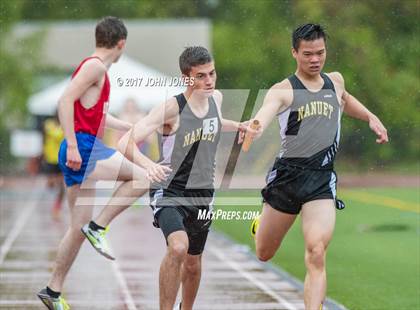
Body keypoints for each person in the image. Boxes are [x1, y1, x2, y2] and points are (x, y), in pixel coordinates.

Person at [248, 24, 388, 310]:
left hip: (321, 180)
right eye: (308, 54)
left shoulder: (334, 81)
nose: (315, 59)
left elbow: (345, 100)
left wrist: (370, 116)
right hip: (287, 178)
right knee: (263, 252)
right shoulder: (283, 90)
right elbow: (266, 111)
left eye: (320, 53)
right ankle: (261, 222)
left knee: (316, 251)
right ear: (295, 53)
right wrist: (256, 126)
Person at [37, 16, 164, 310]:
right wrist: (70, 143)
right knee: (143, 177)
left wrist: (129, 127)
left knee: (75, 228)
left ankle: (52, 291)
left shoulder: (98, 70)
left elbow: (99, 117)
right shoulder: (95, 67)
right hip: (82, 146)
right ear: (121, 44)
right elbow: (64, 101)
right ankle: (99, 226)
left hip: (84, 145)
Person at [117, 46, 247, 310]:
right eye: (201, 76)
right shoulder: (171, 109)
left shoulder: (216, 99)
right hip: (170, 190)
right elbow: (124, 141)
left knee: (193, 262)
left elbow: (215, 123)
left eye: (212, 73)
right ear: (187, 78)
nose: (209, 80)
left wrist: (239, 126)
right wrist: (148, 165)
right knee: (178, 247)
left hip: (203, 193)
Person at [41, 113, 65, 220]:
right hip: (50, 159)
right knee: (51, 184)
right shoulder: (48, 124)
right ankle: (52, 183)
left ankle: (57, 207)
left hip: (61, 159)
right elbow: (47, 137)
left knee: (62, 186)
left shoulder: (66, 125)